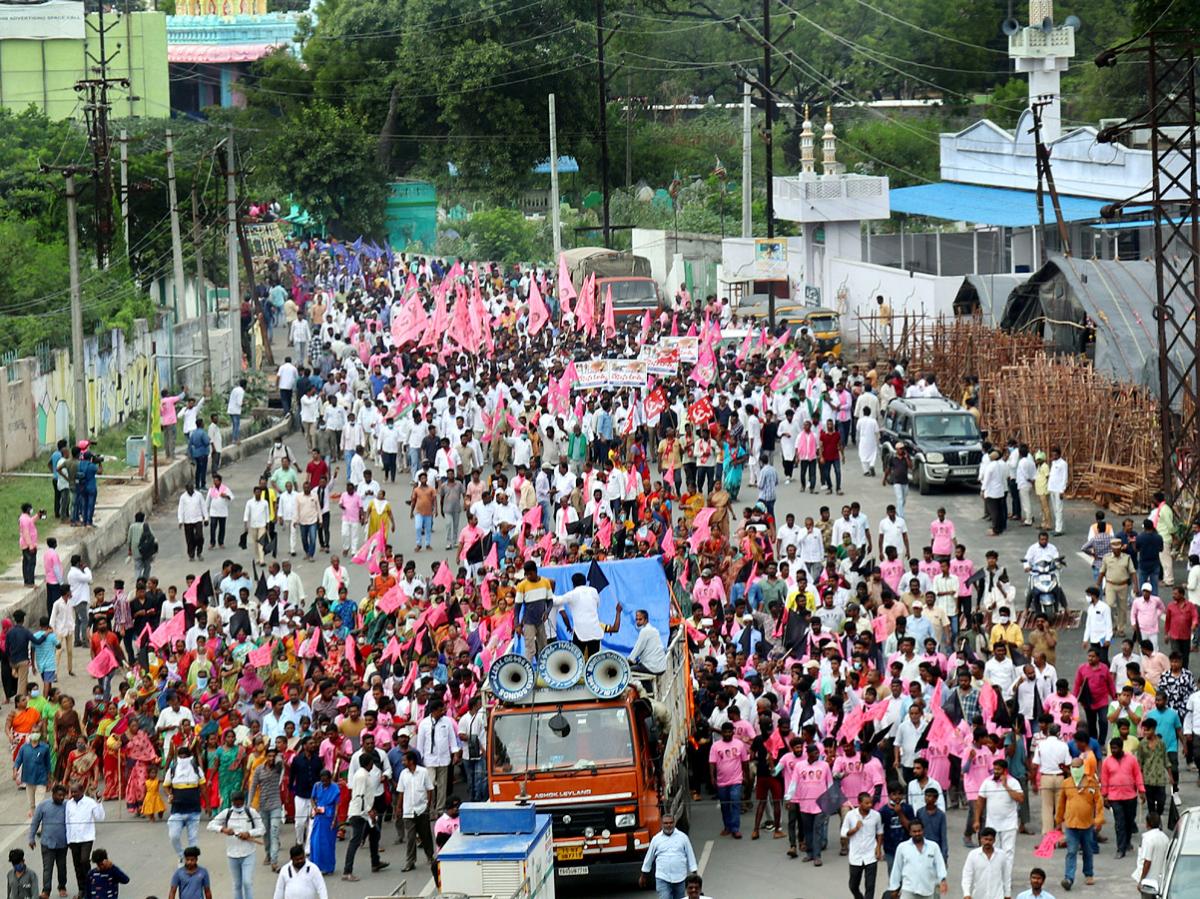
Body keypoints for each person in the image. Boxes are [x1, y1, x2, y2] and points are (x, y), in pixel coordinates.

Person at [1055, 757, 1102, 891]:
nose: (1075, 770)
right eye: (1073, 768)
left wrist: (1099, 820)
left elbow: (1099, 802)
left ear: (1083, 768)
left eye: (1077, 768)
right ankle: (1068, 878)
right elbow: (1061, 803)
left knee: (1088, 850)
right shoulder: (1066, 783)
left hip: (1087, 824)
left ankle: (1089, 874)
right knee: (1071, 851)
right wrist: (1058, 820)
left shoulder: (1091, 783)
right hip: (1071, 824)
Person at [208, 790, 263, 899]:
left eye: (240, 802)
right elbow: (210, 825)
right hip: (232, 854)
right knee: (237, 884)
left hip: (248, 853)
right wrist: (223, 829)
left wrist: (249, 833)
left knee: (247, 882)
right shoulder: (226, 813)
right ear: (232, 802)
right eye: (235, 802)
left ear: (244, 801)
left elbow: (262, 829)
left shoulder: (251, 812)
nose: (238, 804)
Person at [639, 813, 697, 899]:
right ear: (661, 824)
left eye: (671, 823)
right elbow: (649, 858)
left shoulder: (683, 837)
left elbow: (690, 855)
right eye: (666, 823)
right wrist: (643, 875)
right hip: (662, 877)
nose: (668, 825)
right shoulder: (656, 839)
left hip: (680, 878)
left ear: (674, 823)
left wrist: (694, 873)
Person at [396, 750, 435, 873]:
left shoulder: (423, 772)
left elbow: (429, 789)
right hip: (408, 811)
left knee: (425, 835)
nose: (402, 762)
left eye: (404, 760)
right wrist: (398, 807)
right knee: (411, 837)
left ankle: (430, 856)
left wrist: (428, 806)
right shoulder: (403, 774)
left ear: (411, 761)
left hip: (421, 809)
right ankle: (410, 861)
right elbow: (401, 792)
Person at [709, 721, 749, 840]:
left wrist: (746, 776)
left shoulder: (739, 744)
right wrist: (712, 777)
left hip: (736, 780)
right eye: (725, 732)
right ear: (722, 733)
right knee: (725, 805)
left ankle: (735, 828)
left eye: (729, 731)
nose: (727, 734)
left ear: (733, 732)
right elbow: (712, 763)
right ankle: (727, 826)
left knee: (735, 801)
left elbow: (744, 761)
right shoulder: (715, 746)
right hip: (722, 781)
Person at [888, 820, 948, 898]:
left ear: (923, 831)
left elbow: (940, 865)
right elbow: (897, 868)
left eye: (919, 831)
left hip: (927, 890)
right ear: (910, 832)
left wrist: (942, 880)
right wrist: (894, 887)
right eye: (914, 831)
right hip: (908, 890)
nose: (917, 833)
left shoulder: (933, 847)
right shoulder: (902, 847)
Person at [28, 783, 68, 898]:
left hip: (62, 843)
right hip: (47, 843)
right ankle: (46, 891)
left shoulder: (67, 805)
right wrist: (31, 838)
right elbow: (35, 822)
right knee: (47, 868)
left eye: (63, 796)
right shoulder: (43, 805)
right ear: (53, 794)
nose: (61, 798)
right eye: (59, 795)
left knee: (62, 867)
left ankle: (62, 887)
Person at [840, 791, 883, 899]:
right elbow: (843, 833)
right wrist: (855, 829)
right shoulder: (851, 815)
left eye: (870, 803)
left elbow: (879, 832)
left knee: (870, 886)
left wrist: (878, 848)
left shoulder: (876, 815)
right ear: (860, 803)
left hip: (870, 855)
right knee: (853, 885)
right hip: (856, 856)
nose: (870, 805)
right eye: (867, 803)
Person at [65, 781, 103, 896]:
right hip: (73, 839)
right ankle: (82, 888)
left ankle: (90, 885)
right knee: (77, 865)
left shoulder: (90, 802)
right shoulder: (69, 804)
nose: (73, 794)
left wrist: (99, 802)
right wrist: (68, 840)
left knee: (84, 860)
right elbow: (67, 822)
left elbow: (100, 817)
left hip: (87, 837)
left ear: (82, 791)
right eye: (72, 792)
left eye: (75, 792)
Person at [961, 826, 1011, 899]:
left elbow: (1006, 876)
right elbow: (967, 875)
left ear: (994, 840)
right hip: (979, 896)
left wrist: (1007, 894)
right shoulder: (973, 855)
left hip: (997, 896)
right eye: (985, 839)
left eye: (990, 840)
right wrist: (966, 893)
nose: (987, 842)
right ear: (981, 839)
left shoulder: (1001, 855)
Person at [1134, 812, 1170, 895]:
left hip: (1149, 879)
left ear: (1148, 824)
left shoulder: (1148, 839)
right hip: (1161, 878)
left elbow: (1147, 861)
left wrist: (1141, 880)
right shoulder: (1165, 838)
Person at [629, 608, 667, 675]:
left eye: (640, 619)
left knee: (630, 670)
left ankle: (646, 686)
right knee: (641, 668)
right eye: (636, 619)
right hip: (660, 666)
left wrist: (629, 660)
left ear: (646, 620)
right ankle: (647, 686)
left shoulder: (645, 631)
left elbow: (637, 649)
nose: (638, 622)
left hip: (652, 666)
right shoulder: (654, 630)